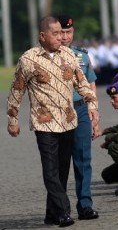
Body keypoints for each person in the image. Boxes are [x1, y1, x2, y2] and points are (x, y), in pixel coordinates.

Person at [6, 16, 99, 227]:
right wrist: (13, 120)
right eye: (55, 34)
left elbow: (82, 84)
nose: (61, 38)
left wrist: (92, 106)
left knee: (62, 170)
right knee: (50, 170)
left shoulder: (69, 55)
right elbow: (16, 92)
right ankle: (63, 210)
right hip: (44, 123)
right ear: (43, 36)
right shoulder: (28, 60)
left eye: (62, 33)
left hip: (68, 121)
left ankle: (51, 213)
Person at [57, 15, 99, 220]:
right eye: (61, 32)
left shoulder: (81, 56)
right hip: (58, 111)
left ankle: (85, 204)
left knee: (83, 158)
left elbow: (91, 84)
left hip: (81, 109)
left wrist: (94, 110)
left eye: (69, 32)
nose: (65, 37)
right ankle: (60, 207)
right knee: (59, 161)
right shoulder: (44, 57)